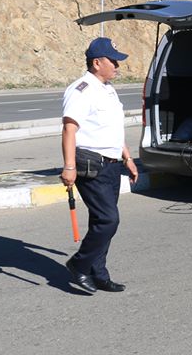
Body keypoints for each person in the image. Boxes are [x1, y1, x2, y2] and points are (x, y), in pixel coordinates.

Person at [60, 36, 139, 293]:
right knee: (108, 220)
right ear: (97, 63)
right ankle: (79, 265)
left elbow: (113, 130)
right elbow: (69, 129)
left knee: (100, 221)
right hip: (92, 164)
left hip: (112, 164)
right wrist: (69, 166)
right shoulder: (81, 89)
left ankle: (99, 273)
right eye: (113, 60)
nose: (118, 65)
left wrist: (127, 158)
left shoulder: (108, 89)